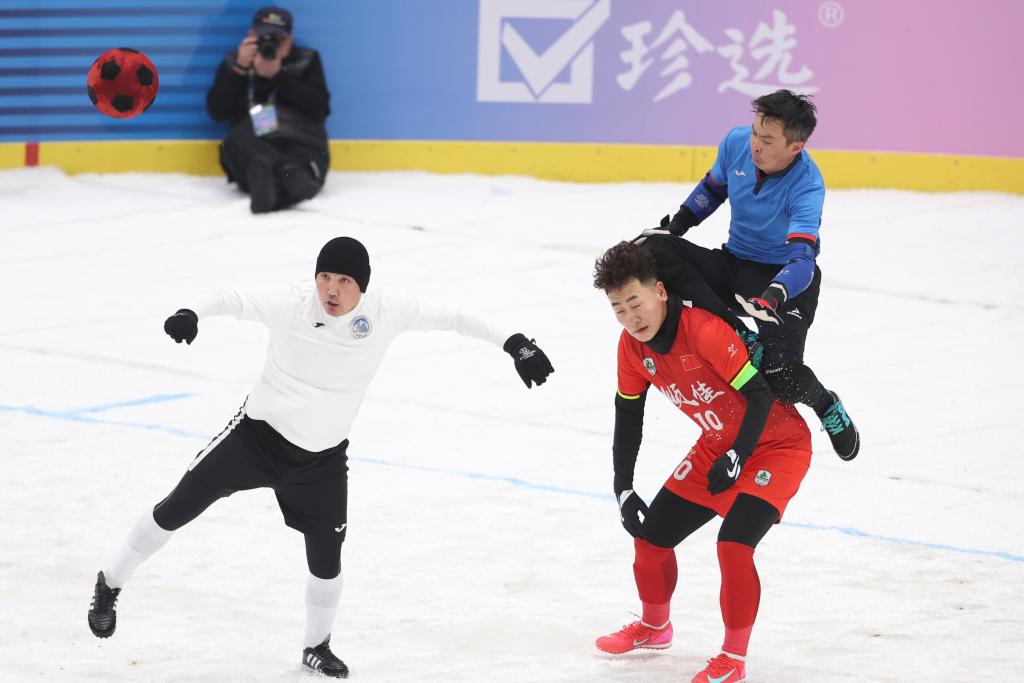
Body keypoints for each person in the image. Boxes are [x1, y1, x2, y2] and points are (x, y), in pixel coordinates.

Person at [87, 236, 554, 678]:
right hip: (255, 440)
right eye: (325, 277)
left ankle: (317, 645)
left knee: (326, 561)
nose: (331, 289)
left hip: (322, 462)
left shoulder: (388, 311)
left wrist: (517, 343)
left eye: (344, 281)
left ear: (362, 287)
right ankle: (110, 583)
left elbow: (454, 315)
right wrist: (191, 312)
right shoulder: (292, 302)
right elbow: (231, 297)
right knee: (176, 509)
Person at [592, 241, 812, 683]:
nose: (631, 319)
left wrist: (738, 455)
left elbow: (758, 395)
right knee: (650, 541)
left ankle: (733, 659)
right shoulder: (631, 348)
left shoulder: (704, 330)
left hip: (777, 445)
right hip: (718, 443)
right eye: (618, 310)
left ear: (660, 292)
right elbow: (628, 413)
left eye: (635, 303)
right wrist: (623, 488)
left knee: (733, 546)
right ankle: (655, 628)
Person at [640, 89, 859, 460]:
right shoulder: (736, 142)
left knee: (781, 378)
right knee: (650, 249)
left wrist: (774, 294)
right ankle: (739, 331)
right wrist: (676, 227)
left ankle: (826, 404)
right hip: (734, 266)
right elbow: (712, 189)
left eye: (767, 139)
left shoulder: (808, 185)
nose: (755, 143)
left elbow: (803, 260)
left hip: (784, 284)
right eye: (756, 131)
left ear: (796, 147)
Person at [206, 6, 330, 214]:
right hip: (252, 142)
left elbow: (320, 109)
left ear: (290, 39)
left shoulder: (307, 59)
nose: (270, 43)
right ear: (251, 35)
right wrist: (239, 69)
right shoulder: (235, 61)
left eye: (277, 38)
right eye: (264, 37)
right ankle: (281, 176)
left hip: (298, 139)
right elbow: (217, 112)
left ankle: (268, 186)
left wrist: (278, 76)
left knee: (291, 163)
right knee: (235, 142)